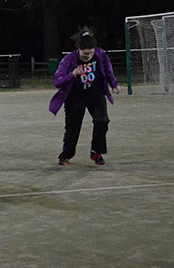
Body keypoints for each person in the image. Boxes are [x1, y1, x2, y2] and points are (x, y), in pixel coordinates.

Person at [49, 29, 121, 166]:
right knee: (72, 128)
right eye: (85, 53)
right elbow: (57, 82)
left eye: (91, 53)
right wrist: (72, 74)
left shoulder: (100, 55)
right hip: (75, 98)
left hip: (96, 95)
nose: (88, 56)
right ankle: (66, 155)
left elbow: (108, 70)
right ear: (78, 49)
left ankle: (96, 152)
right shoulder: (68, 60)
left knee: (102, 121)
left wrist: (114, 84)